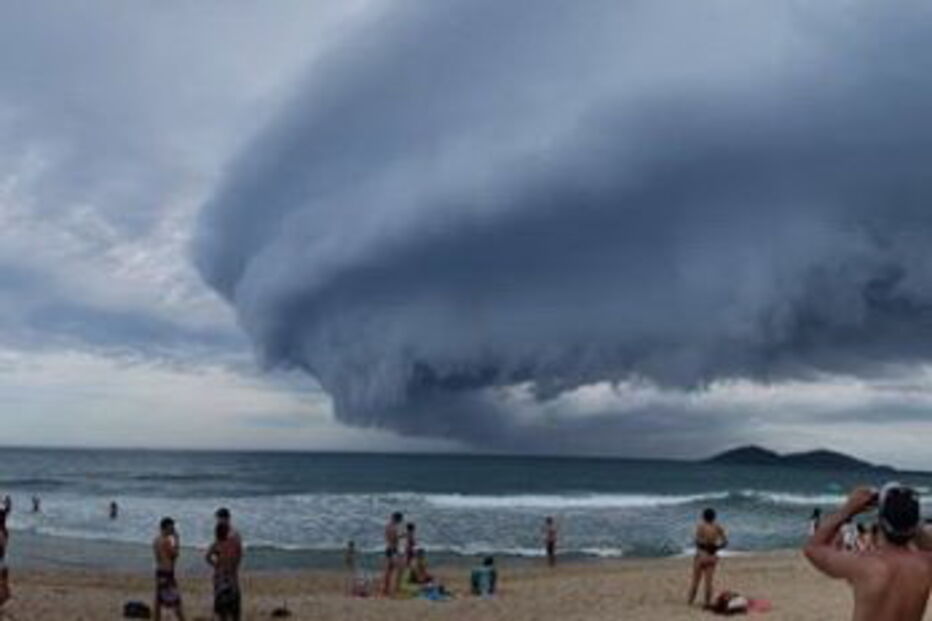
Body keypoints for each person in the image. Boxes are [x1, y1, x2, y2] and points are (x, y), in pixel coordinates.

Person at [805, 484, 932, 621]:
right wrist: (909, 519)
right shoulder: (925, 564)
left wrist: (848, 510)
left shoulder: (864, 563)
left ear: (880, 521)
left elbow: (813, 548)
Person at [687, 507, 728, 609]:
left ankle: (690, 602)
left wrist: (705, 546)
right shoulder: (718, 527)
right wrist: (716, 548)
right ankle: (707, 603)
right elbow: (725, 542)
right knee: (708, 582)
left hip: (701, 556)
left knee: (695, 580)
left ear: (703, 517)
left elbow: (697, 542)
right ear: (714, 517)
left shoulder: (701, 527)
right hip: (712, 557)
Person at [206, 522, 242, 621]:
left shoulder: (216, 544)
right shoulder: (233, 543)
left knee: (222, 608)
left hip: (220, 576)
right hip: (231, 576)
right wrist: (236, 564)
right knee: (234, 606)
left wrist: (215, 565)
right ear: (226, 532)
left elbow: (207, 557)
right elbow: (239, 552)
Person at [153, 517, 186, 621]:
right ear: (165, 528)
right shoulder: (166, 541)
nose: (172, 530)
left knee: (158, 600)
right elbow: (175, 555)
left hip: (160, 571)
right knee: (176, 601)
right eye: (171, 528)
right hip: (167, 573)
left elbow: (158, 557)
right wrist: (177, 540)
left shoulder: (156, 540)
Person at [381, 512, 404, 596]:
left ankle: (385, 590)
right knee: (399, 570)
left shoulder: (387, 526)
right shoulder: (396, 528)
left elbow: (387, 537)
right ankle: (395, 589)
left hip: (388, 548)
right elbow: (397, 539)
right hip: (394, 550)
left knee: (388, 571)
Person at [0, 509, 10, 613]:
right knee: (4, 584)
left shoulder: (2, 531)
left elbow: (2, 548)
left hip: (1, 560)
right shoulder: (5, 530)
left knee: (4, 584)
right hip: (3, 560)